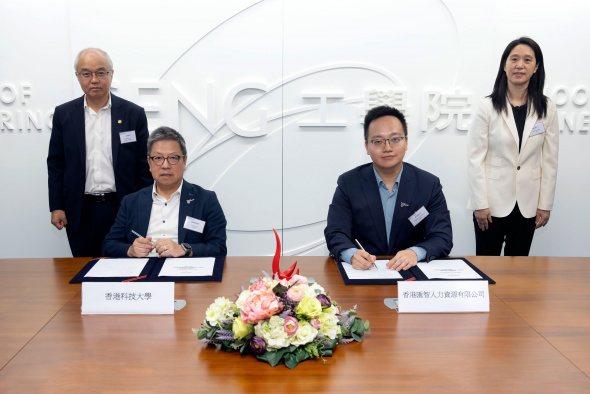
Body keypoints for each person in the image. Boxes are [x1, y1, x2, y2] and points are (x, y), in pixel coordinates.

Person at [47, 48, 152, 257]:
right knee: (85, 270)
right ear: (77, 77)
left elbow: (144, 165)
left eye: (101, 72)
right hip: (80, 209)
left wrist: (145, 208)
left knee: (125, 268)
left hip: (122, 206)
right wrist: (57, 206)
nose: (94, 79)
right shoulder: (64, 114)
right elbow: (56, 164)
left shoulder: (133, 114)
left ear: (111, 74)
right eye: (86, 73)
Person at [324, 105, 453, 271]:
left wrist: (415, 253)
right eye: (378, 141)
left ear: (406, 142)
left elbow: (442, 236)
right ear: (367, 147)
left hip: (411, 273)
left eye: (395, 139)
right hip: (364, 273)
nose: (387, 148)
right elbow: (335, 232)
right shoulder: (348, 183)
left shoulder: (428, 185)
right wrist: (351, 254)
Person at [467, 37, 559, 256]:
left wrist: (545, 204)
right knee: (486, 265)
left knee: (518, 269)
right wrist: (480, 203)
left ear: (536, 67)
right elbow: (475, 159)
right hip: (491, 204)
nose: (520, 65)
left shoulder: (547, 108)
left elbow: (550, 160)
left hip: (528, 204)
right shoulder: (487, 106)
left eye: (528, 60)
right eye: (514, 59)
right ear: (504, 65)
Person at [102, 126, 227, 258]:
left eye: (173, 158)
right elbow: (109, 245)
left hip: (184, 271)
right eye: (158, 158)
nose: (165, 165)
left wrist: (184, 249)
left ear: (184, 161)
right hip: (142, 272)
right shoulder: (131, 201)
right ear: (149, 163)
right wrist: (130, 250)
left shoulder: (206, 200)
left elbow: (218, 247)